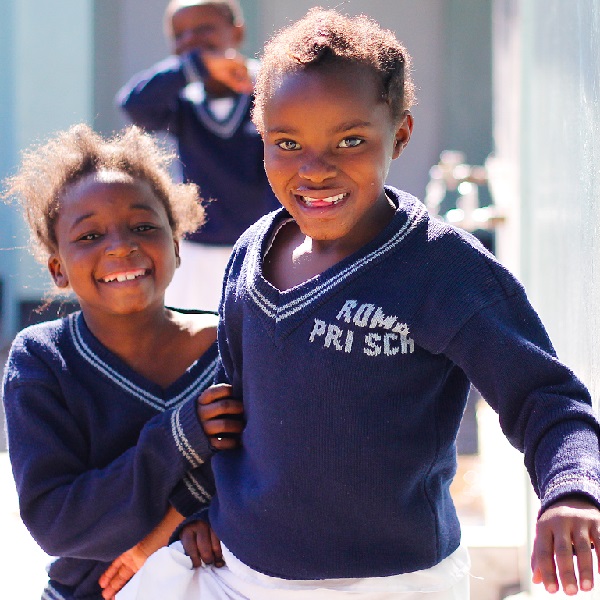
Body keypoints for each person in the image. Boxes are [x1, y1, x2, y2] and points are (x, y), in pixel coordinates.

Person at [118, 8, 600, 600]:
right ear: (261, 136)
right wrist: (194, 508)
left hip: (393, 582)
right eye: (287, 143)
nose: (314, 170)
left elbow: (546, 397)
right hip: (243, 571)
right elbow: (230, 408)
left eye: (349, 140)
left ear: (399, 134)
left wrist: (571, 490)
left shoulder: (442, 270)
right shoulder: (249, 255)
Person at [1, 124, 243, 600]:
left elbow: (273, 470)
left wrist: (200, 518)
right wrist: (178, 438)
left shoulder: (235, 345)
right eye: (90, 234)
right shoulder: (43, 361)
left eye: (143, 227)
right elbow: (58, 523)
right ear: (58, 269)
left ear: (176, 245)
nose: (120, 245)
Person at [116, 0, 279, 311]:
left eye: (205, 28)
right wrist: (195, 67)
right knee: (199, 339)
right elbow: (133, 104)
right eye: (180, 35)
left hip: (262, 247)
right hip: (198, 251)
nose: (191, 40)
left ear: (238, 32)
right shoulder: (183, 103)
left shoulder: (269, 90)